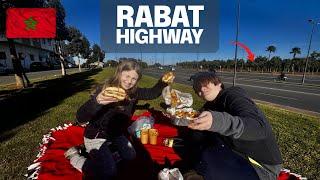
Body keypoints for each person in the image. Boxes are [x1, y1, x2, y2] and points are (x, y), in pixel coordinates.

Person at [64, 60, 174, 179]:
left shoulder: (134, 92)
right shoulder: (105, 90)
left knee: (130, 156)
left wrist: (163, 82)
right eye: (127, 75)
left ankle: (102, 153)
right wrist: (97, 101)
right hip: (97, 135)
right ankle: (75, 156)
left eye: (134, 79)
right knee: (109, 172)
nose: (129, 81)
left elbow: (152, 93)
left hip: (116, 134)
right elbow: (80, 117)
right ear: (119, 73)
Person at [185, 71, 282, 180]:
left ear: (218, 83)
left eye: (205, 84)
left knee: (202, 170)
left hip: (261, 166)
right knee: (197, 149)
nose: (201, 89)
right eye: (197, 87)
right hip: (235, 154)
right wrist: (175, 107)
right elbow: (193, 124)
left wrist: (216, 122)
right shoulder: (209, 106)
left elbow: (258, 127)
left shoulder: (233, 95)